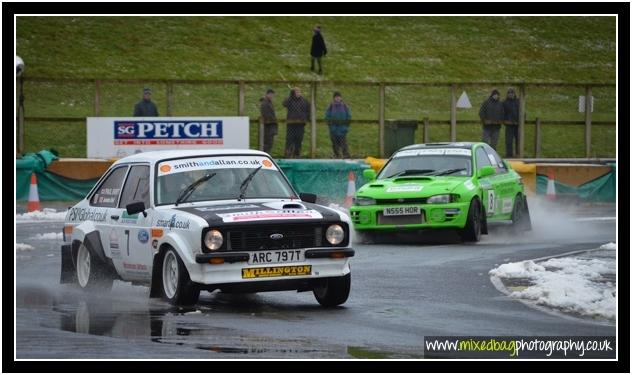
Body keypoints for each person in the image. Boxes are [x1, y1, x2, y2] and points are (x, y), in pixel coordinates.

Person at [282, 87, 310, 158]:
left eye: (299, 92)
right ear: (293, 93)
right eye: (296, 92)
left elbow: (308, 109)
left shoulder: (304, 101)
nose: (298, 93)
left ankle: (297, 154)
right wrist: (290, 96)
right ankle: (288, 154)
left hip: (300, 123)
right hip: (291, 123)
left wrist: (306, 118)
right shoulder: (290, 100)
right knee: (289, 139)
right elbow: (284, 104)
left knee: (299, 139)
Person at [325, 91, 352, 159]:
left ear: (341, 98)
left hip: (342, 128)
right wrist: (331, 126)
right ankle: (337, 155)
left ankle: (345, 155)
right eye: (336, 97)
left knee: (343, 143)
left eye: (339, 97)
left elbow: (348, 116)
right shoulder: (331, 106)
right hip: (333, 129)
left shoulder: (344, 106)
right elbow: (327, 116)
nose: (337, 98)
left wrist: (346, 126)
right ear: (334, 98)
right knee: (334, 143)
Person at [259, 89, 278, 154]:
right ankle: (265, 154)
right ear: (268, 94)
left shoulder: (268, 102)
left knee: (269, 141)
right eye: (272, 95)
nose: (272, 96)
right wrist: (273, 119)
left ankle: (267, 153)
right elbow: (266, 114)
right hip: (268, 125)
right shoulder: (265, 103)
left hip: (270, 125)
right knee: (267, 141)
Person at [503, 88, 520, 158]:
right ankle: (509, 155)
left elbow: (522, 111)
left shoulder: (518, 102)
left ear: (514, 94)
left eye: (512, 93)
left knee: (518, 140)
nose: (510, 94)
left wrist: (522, 120)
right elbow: (502, 112)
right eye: (509, 93)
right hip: (509, 124)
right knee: (508, 140)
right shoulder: (505, 102)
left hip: (518, 124)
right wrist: (504, 121)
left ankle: (518, 154)